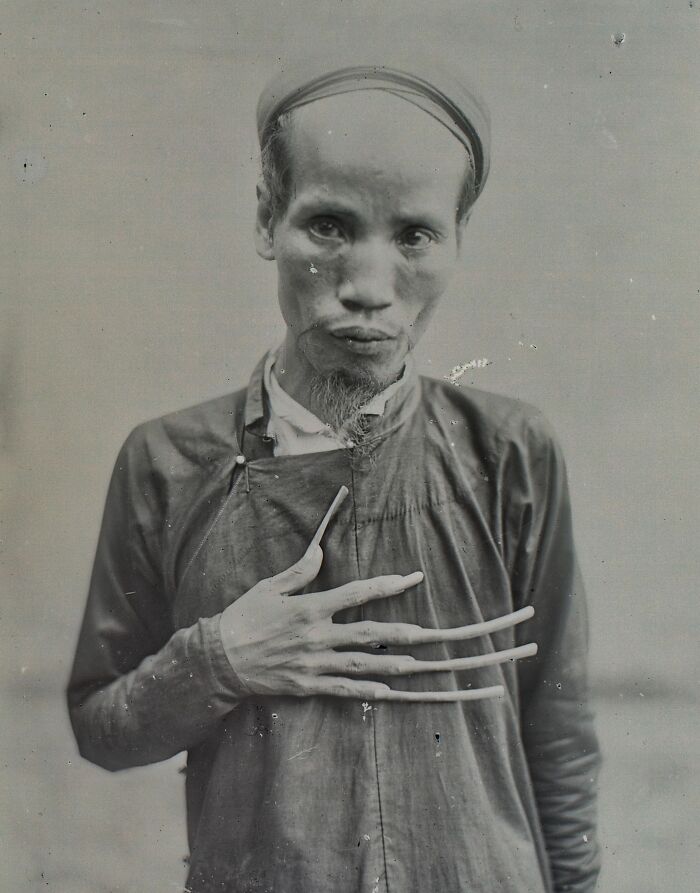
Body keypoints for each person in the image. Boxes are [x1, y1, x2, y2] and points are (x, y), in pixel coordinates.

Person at [68, 60, 601, 893]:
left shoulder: (510, 451)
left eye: (415, 236)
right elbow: (99, 724)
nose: (367, 286)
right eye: (327, 226)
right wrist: (219, 659)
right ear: (265, 219)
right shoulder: (166, 463)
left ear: (458, 239)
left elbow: (560, 732)